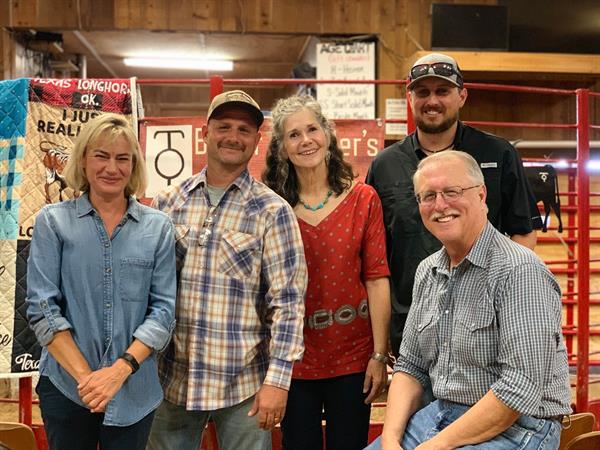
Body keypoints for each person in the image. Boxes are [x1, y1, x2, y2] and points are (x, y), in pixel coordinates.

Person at [365, 151, 571, 450]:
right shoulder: (428, 272)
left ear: (481, 194)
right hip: (439, 415)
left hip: (518, 427)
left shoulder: (519, 271)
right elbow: (410, 366)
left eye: (452, 192)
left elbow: (519, 388)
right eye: (428, 196)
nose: (440, 205)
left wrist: (435, 446)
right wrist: (391, 441)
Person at [146, 90, 308, 450]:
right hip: (171, 377)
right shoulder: (168, 202)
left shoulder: (272, 211)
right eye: (223, 126)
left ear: (257, 140)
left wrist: (278, 380)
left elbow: (288, 302)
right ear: (204, 132)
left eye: (244, 129)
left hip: (243, 385)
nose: (233, 136)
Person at [366, 52, 542, 357]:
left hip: (484, 326)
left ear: (462, 96)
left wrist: (504, 299)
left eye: (442, 91)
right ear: (410, 98)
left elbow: (522, 231)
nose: (432, 100)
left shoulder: (498, 153)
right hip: (412, 325)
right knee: (415, 405)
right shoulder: (385, 165)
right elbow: (374, 252)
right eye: (422, 92)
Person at [26, 113, 176, 450]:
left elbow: (163, 312)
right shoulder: (53, 222)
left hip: (134, 388)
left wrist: (119, 371)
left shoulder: (158, 228)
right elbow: (42, 308)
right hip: (67, 387)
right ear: (82, 159)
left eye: (122, 158)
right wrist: (89, 380)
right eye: (101, 155)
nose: (112, 168)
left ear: (134, 165)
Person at [263, 95, 391, 450]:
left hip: (353, 357)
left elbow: (377, 278)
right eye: (293, 135)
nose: (305, 141)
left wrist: (379, 355)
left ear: (328, 135)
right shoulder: (272, 206)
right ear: (281, 148)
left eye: (312, 129)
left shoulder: (364, 199)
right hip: (293, 359)